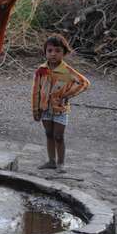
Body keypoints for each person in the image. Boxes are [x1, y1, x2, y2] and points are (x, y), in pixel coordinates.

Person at [32, 34, 90, 173]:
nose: (53, 54)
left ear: (64, 52)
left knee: (59, 136)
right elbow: (36, 91)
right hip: (45, 108)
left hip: (60, 109)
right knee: (49, 134)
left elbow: (84, 83)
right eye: (50, 51)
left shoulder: (67, 71)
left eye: (57, 51)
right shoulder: (41, 70)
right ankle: (51, 161)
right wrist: (35, 109)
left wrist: (68, 94)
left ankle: (61, 163)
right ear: (45, 52)